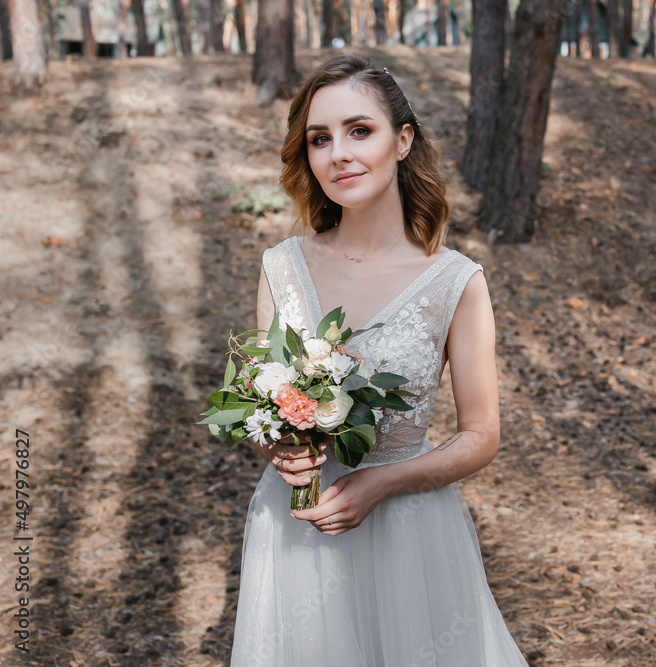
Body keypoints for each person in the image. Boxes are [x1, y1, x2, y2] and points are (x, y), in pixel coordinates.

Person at [230, 54, 528, 666]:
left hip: (409, 531)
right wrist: (280, 446)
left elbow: (482, 435)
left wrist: (381, 482)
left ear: (403, 140)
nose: (338, 153)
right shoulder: (280, 267)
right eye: (320, 138)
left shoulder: (455, 281)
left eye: (359, 130)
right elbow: (262, 402)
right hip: (298, 527)